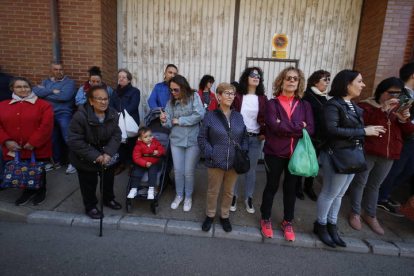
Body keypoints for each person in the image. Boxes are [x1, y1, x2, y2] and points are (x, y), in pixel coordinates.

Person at [314, 70, 385, 248]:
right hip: (337, 156)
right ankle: (320, 226)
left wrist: (368, 127)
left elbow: (351, 128)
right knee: (329, 193)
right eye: (359, 81)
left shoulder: (352, 105)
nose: (363, 85)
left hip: (351, 155)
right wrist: (363, 131)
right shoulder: (332, 105)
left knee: (338, 194)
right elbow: (332, 130)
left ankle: (332, 226)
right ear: (347, 84)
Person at [348, 77, 414, 235]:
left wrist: (405, 120)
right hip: (368, 151)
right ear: (381, 92)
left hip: (389, 153)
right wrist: (382, 110)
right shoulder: (366, 105)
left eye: (398, 94)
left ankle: (370, 214)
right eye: (391, 92)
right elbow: (361, 126)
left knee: (375, 185)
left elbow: (409, 133)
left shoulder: (398, 109)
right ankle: (355, 212)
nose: (394, 97)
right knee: (359, 183)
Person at [259, 67, 314, 241]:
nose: (291, 81)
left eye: (295, 79)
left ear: (299, 83)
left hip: (296, 155)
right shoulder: (271, 103)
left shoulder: (305, 105)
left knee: (290, 190)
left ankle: (287, 222)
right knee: (271, 187)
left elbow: (311, 129)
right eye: (288, 78)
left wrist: (284, 126)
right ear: (281, 81)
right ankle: (265, 219)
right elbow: (273, 127)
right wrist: (300, 126)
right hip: (274, 153)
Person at [198, 83, 249, 232]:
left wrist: (243, 151)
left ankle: (224, 216)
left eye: (232, 94)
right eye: (226, 93)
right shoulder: (210, 116)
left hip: (234, 161)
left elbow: (245, 136)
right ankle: (210, 215)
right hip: (215, 161)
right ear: (219, 96)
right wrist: (210, 153)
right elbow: (201, 137)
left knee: (229, 192)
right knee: (213, 191)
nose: (230, 96)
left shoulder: (238, 116)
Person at [68, 85, 122, 219]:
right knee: (88, 183)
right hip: (86, 155)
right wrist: (96, 156)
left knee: (108, 179)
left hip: (106, 154)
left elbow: (116, 135)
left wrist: (108, 153)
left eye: (106, 99)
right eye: (99, 99)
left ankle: (108, 199)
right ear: (91, 101)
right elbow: (75, 140)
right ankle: (90, 206)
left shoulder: (113, 114)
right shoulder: (80, 116)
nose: (103, 102)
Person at [0, 77, 53, 205]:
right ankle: (27, 192)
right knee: (22, 169)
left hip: (36, 146)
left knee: (38, 169)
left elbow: (46, 125)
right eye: (19, 87)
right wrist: (6, 141)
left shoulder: (43, 105)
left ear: (31, 88)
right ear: (12, 89)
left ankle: (40, 190)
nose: (23, 89)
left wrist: (33, 142)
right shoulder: (2, 105)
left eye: (26, 86)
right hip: (13, 147)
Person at [160, 75, 205, 212]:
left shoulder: (194, 97)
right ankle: (179, 195)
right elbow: (168, 124)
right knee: (178, 171)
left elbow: (199, 115)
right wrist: (163, 120)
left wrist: (179, 121)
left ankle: (188, 197)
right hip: (176, 140)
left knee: (188, 171)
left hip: (193, 140)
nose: (173, 92)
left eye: (176, 90)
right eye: (171, 90)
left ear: (183, 87)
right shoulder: (170, 103)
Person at [378, 62, 414, 214]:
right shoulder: (400, 92)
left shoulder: (411, 94)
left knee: (408, 169)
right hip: (402, 137)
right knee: (396, 169)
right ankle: (381, 198)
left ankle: (386, 194)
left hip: (410, 135)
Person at [230, 67, 267, 214]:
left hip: (255, 138)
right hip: (238, 137)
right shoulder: (238, 96)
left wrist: (265, 133)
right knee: (236, 168)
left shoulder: (263, 98)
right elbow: (230, 114)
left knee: (251, 171)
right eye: (252, 75)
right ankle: (233, 196)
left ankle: (249, 198)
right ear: (246, 78)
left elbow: (267, 118)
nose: (255, 77)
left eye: (258, 76)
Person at [33, 62, 77, 174]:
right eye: (56, 69)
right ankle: (56, 162)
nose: (58, 72)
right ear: (51, 70)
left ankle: (74, 163)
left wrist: (44, 93)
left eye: (61, 69)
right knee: (53, 140)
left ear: (64, 70)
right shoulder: (47, 82)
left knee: (68, 138)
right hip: (48, 114)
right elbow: (35, 91)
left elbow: (64, 96)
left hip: (64, 113)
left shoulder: (69, 83)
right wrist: (52, 91)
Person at [297, 70, 331, 201]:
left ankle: (309, 186)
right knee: (303, 161)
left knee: (313, 163)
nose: (328, 82)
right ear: (315, 81)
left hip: (320, 138)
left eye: (329, 79)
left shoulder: (323, 96)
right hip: (308, 136)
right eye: (325, 79)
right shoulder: (308, 96)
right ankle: (297, 186)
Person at [110, 68, 141, 175]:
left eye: (124, 77)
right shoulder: (114, 92)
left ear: (129, 80)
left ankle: (133, 164)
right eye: (119, 77)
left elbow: (133, 105)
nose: (121, 79)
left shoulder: (135, 91)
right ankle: (122, 164)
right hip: (117, 120)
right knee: (120, 142)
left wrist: (122, 113)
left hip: (130, 120)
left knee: (132, 142)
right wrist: (115, 115)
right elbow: (111, 105)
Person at [128, 126, 166, 200]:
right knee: (136, 174)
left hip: (153, 162)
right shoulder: (138, 146)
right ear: (140, 138)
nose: (149, 138)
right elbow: (136, 158)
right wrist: (144, 163)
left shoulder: (155, 142)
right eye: (146, 137)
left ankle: (151, 189)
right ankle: (134, 189)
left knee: (152, 174)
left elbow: (162, 149)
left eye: (150, 136)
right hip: (142, 163)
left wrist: (158, 152)